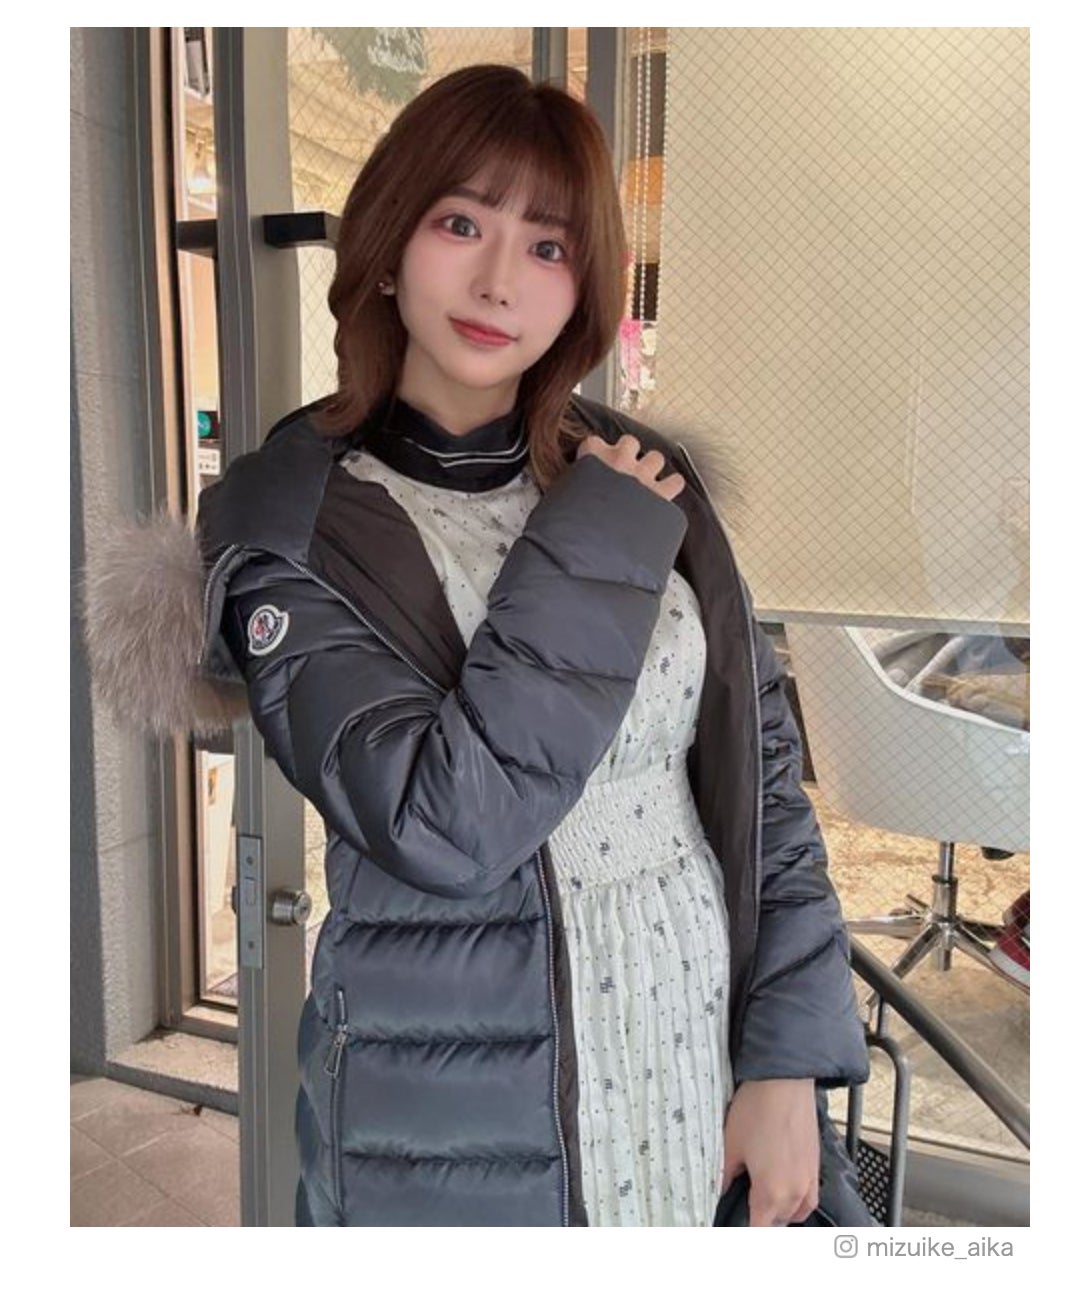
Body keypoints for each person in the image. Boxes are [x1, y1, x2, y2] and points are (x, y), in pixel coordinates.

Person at [87, 64, 868, 1227]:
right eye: (462, 224)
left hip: (692, 1055)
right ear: (389, 245)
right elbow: (444, 823)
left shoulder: (640, 474)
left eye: (549, 247)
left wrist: (788, 1058)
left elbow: (761, 778)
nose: (501, 280)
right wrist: (598, 543)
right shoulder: (290, 525)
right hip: (454, 1122)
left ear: (582, 290)